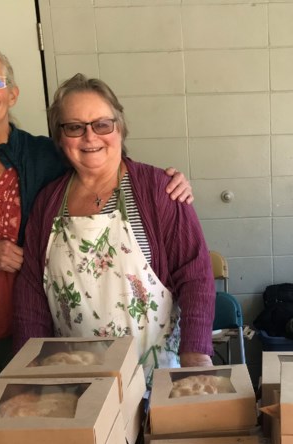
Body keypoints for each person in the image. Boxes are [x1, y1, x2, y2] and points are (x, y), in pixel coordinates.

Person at [0, 43, 192, 394]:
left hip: (40, 323)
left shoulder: (43, 154)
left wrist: (168, 184)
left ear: (12, 93)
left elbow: (99, 158)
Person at [13, 73, 215, 374]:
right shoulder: (48, 202)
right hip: (77, 383)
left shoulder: (158, 190)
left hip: (153, 378)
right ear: (60, 136)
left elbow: (196, 275)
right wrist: (28, 367)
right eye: (74, 127)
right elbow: (31, 289)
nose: (90, 137)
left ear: (119, 128)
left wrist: (196, 354)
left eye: (102, 124)